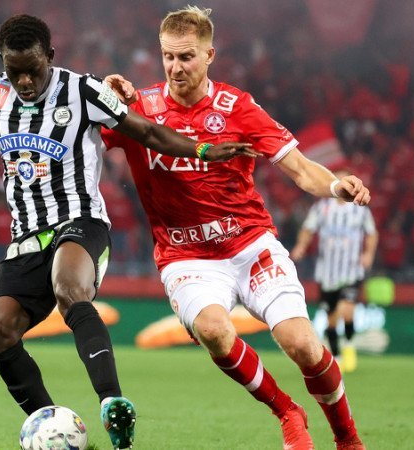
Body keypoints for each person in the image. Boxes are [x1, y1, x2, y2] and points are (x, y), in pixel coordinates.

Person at [0, 14, 254, 450]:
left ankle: (112, 403)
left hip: (81, 223)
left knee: (68, 287)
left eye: (32, 70)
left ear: (50, 57)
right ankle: (52, 427)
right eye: (13, 70)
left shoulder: (83, 90)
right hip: (26, 238)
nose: (23, 81)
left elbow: (146, 130)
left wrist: (202, 149)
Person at [102, 6, 370, 449]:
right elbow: (83, 131)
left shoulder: (237, 107)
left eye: (186, 57)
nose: (175, 67)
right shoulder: (139, 108)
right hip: (185, 255)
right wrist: (103, 94)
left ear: (209, 55)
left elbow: (302, 169)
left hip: (249, 244)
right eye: (168, 56)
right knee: (213, 330)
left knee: (303, 345)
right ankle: (287, 411)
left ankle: (348, 439)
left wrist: (337, 186)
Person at [290, 169, 379, 373]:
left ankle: (349, 345)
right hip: (327, 272)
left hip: (351, 270)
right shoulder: (322, 208)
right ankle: (337, 356)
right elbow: (308, 229)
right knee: (331, 318)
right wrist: (301, 246)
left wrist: (368, 254)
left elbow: (372, 234)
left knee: (347, 310)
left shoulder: (360, 210)